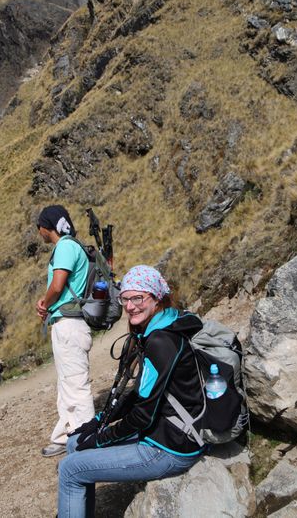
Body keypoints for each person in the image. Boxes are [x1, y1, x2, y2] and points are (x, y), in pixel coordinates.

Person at [57, 265, 205, 518]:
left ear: (157, 298)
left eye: (138, 298)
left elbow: (142, 416)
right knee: (73, 444)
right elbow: (139, 395)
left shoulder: (161, 342)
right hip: (164, 433)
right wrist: (97, 423)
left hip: (169, 448)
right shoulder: (165, 325)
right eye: (125, 298)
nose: (130, 306)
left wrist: (100, 439)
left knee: (70, 469)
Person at [36, 204, 94, 458]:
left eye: (39, 226)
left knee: (76, 384)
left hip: (69, 324)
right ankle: (65, 436)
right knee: (67, 383)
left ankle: (86, 441)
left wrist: (44, 304)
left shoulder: (65, 247)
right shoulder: (71, 246)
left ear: (46, 227)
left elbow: (58, 285)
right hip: (67, 322)